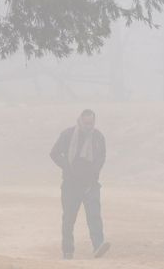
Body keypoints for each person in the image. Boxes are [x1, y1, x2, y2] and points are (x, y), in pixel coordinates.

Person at [48, 108, 110, 259]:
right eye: (86, 123)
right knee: (69, 218)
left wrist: (94, 173)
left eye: (92, 123)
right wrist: (68, 167)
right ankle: (68, 251)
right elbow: (54, 153)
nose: (89, 126)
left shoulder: (98, 137)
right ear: (80, 120)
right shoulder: (68, 135)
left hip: (91, 184)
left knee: (94, 216)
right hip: (71, 184)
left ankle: (98, 246)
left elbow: (101, 157)